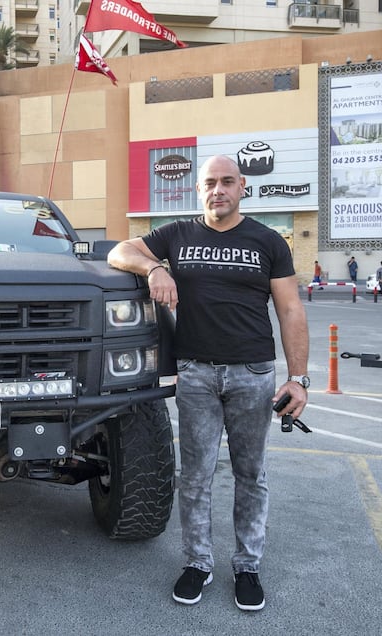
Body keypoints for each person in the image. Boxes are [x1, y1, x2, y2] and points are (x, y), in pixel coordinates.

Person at [108, 155, 309, 612]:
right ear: (199, 190)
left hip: (253, 374)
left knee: (250, 476)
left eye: (226, 183)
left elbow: (291, 310)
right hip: (196, 372)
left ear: (243, 187)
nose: (217, 190)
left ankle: (247, 566)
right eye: (208, 184)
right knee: (194, 477)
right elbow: (120, 250)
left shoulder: (267, 241)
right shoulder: (176, 235)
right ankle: (198, 562)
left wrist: (297, 379)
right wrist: (155, 269)